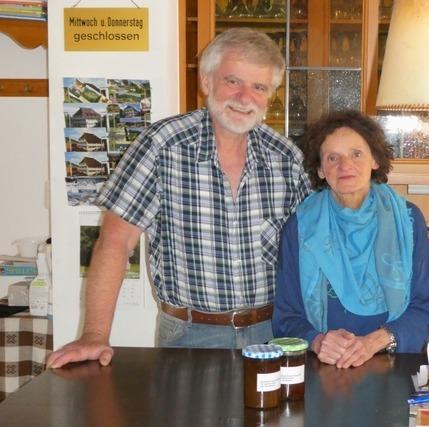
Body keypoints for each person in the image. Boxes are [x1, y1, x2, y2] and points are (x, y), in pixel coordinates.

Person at [47, 28, 311, 369]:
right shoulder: (162, 145)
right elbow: (115, 241)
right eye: (233, 81)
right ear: (206, 81)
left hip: (273, 333)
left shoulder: (286, 157)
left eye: (259, 87)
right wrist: (94, 336)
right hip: (190, 335)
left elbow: (315, 248)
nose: (245, 97)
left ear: (270, 95)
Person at [272, 110, 429, 369]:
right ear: (320, 170)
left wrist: (375, 341)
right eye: (332, 157)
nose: (345, 165)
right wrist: (317, 341)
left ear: (374, 160)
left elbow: (424, 310)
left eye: (356, 154)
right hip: (325, 369)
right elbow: (286, 317)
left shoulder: (408, 220)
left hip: (393, 365)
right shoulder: (300, 227)